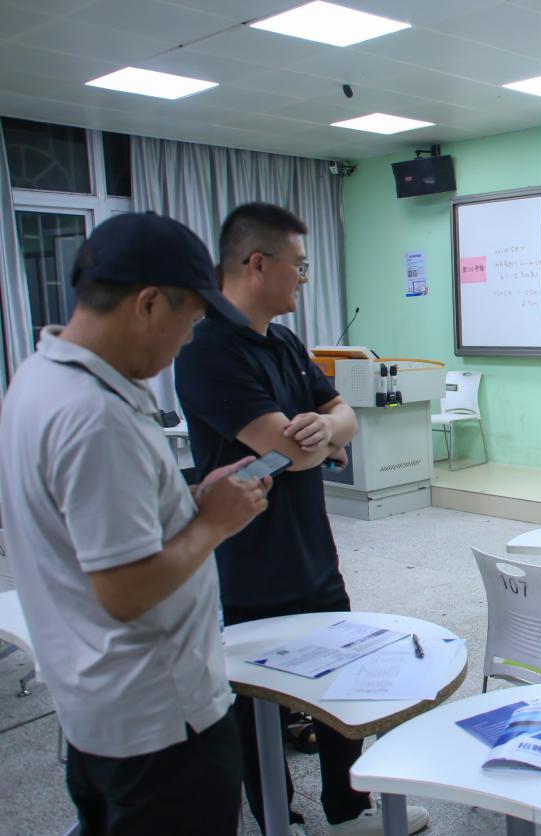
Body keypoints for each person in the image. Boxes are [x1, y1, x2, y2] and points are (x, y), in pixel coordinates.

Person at [0, 213, 270, 835]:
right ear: (148, 304)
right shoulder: (96, 417)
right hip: (160, 725)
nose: (187, 342)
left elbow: (90, 523)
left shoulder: (38, 379)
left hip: (96, 706)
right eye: (189, 321)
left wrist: (187, 500)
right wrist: (214, 523)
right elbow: (124, 590)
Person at [175, 203, 426, 835]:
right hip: (249, 561)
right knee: (256, 700)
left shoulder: (284, 342)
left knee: (342, 677)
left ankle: (347, 810)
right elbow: (289, 450)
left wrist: (329, 432)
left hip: (312, 550)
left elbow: (343, 416)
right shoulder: (207, 351)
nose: (305, 278)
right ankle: (276, 819)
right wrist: (323, 442)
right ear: (258, 265)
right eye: (300, 265)